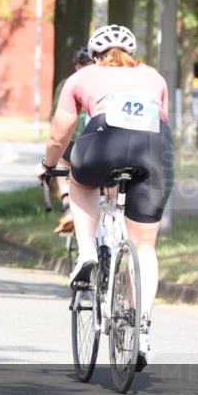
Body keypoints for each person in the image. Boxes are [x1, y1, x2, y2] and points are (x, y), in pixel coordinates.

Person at [37, 24, 173, 372]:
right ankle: (141, 331)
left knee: (79, 180)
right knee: (145, 248)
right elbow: (161, 121)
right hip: (155, 152)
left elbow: (59, 134)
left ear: (94, 54)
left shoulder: (81, 77)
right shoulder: (154, 76)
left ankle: (86, 253)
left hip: (103, 143)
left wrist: (48, 165)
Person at [49, 46, 96, 234]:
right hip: (102, 143)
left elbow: (56, 120)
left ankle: (67, 204)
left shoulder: (67, 84)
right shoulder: (104, 82)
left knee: (61, 162)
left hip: (75, 143)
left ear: (77, 66)